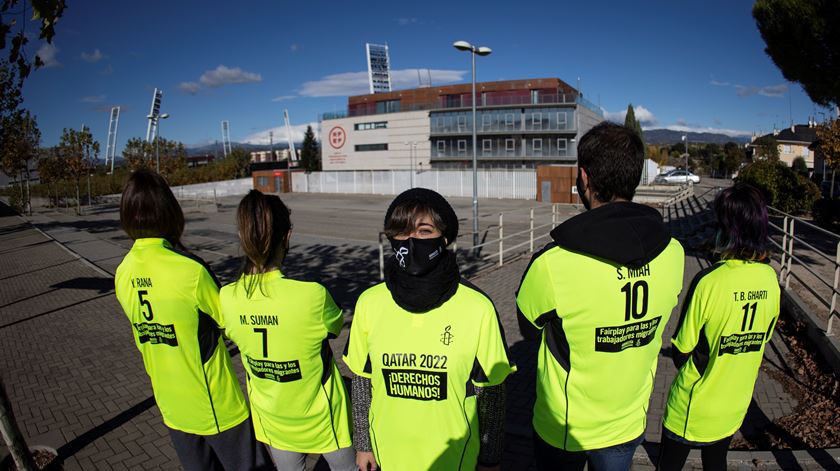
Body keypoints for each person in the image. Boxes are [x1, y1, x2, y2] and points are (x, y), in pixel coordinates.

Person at [516, 122, 685, 470]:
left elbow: (528, 327)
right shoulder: (674, 253)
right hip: (627, 422)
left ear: (584, 178)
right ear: (634, 178)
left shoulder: (554, 263)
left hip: (565, 428)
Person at [343, 188, 515, 471]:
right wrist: (363, 445)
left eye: (424, 231)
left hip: (454, 459)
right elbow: (362, 380)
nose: (411, 241)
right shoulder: (369, 303)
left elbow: (492, 394)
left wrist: (490, 459)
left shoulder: (477, 308)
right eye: (401, 232)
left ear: (445, 238)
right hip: (387, 455)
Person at [114, 169, 270, 471]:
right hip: (215, 406)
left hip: (171, 405)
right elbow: (231, 322)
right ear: (168, 210)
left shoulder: (123, 272)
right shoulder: (190, 270)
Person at [219, 190, 355, 471]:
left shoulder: (227, 297)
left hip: (273, 420)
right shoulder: (312, 295)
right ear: (287, 236)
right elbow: (335, 325)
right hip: (323, 418)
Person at [658, 183, 780, 471]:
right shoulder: (770, 279)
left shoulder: (709, 281)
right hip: (734, 404)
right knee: (716, 463)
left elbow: (681, 352)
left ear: (727, 228)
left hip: (693, 407)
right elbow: (763, 337)